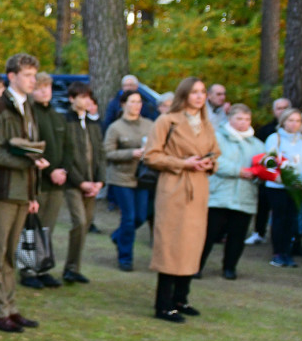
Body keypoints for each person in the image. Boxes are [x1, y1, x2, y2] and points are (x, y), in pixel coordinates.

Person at [143, 77, 219, 323]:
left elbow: (215, 152)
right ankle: (163, 305)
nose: (199, 96)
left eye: (202, 92)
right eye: (194, 92)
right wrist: (182, 163)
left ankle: (181, 298)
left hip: (199, 188)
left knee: (193, 244)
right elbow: (151, 156)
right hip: (174, 188)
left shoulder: (206, 123)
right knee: (172, 244)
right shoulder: (167, 121)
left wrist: (209, 163)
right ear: (184, 94)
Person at [0, 53, 46, 333]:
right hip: (3, 190)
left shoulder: (28, 107)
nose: (33, 80)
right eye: (28, 75)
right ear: (12, 76)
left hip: (22, 191)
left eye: (34, 75)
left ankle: (10, 307)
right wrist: (27, 160)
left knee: (11, 254)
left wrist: (33, 193)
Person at [199, 104, 264, 279]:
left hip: (245, 195)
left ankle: (230, 267)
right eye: (239, 119)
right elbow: (215, 161)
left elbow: (263, 167)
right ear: (230, 119)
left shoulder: (258, 145)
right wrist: (239, 171)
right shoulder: (217, 138)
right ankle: (196, 266)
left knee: (238, 234)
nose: (243, 123)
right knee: (209, 234)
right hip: (219, 194)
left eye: (247, 119)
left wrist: (260, 175)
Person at [103, 90, 154, 271]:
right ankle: (125, 258)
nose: (136, 105)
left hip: (142, 177)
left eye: (139, 102)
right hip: (121, 177)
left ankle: (118, 236)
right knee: (129, 218)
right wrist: (130, 153)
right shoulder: (116, 127)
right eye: (132, 102)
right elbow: (108, 152)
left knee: (140, 216)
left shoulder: (149, 125)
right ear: (123, 104)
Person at [61, 81, 106, 284]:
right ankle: (70, 267)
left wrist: (99, 181)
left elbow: (100, 154)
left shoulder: (93, 124)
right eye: (82, 97)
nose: (86, 101)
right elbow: (66, 156)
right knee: (78, 222)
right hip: (73, 184)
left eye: (88, 97)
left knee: (85, 224)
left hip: (92, 183)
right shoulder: (65, 122)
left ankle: (74, 267)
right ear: (72, 99)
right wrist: (80, 182)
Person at [28, 72, 69, 288]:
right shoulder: (30, 115)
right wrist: (50, 170)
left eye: (47, 87)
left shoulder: (57, 116)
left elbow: (67, 147)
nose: (45, 91)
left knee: (48, 228)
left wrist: (63, 170)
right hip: (38, 181)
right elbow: (31, 148)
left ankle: (43, 267)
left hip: (57, 182)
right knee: (31, 227)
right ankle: (28, 270)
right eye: (39, 87)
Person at [263, 108, 302, 268]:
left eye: (297, 121)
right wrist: (286, 179)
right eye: (291, 120)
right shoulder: (275, 139)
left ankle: (288, 252)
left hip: (297, 188)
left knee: (292, 220)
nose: (294, 124)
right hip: (278, 186)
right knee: (279, 219)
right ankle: (278, 253)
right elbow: (270, 162)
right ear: (283, 121)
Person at [246, 97, 291, 245]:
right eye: (279, 108)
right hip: (267, 176)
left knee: (285, 211)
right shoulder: (266, 131)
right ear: (274, 111)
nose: (282, 111)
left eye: (285, 108)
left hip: (289, 178)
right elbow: (258, 154)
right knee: (263, 204)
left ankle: (287, 239)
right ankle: (259, 232)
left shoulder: (298, 135)